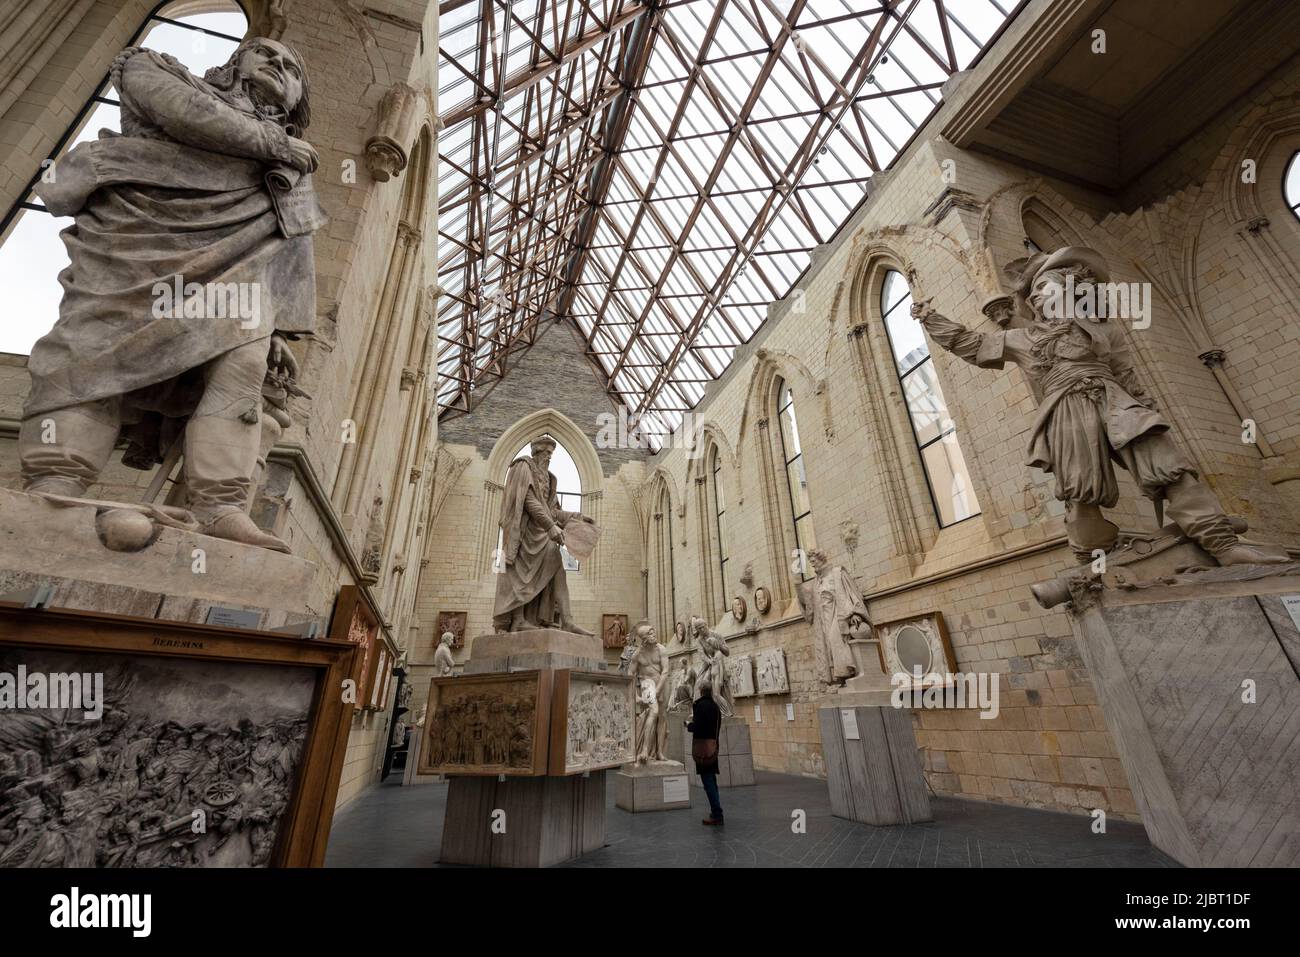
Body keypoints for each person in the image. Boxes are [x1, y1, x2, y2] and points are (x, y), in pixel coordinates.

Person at [20, 37, 325, 553]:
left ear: (297, 99)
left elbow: (290, 248)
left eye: (292, 67)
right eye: (266, 54)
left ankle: (220, 507)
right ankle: (56, 482)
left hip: (239, 273)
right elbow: (181, 112)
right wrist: (274, 145)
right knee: (91, 355)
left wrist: (277, 325)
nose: (279, 64)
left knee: (240, 372)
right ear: (232, 63)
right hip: (138, 247)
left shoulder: (290, 171)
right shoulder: (159, 69)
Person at [912, 245, 1285, 566]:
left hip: (1116, 400)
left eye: (1044, 288)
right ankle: (1093, 564)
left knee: (1169, 468)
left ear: (1072, 287)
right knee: (1081, 492)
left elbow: (1126, 374)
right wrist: (931, 319)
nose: (1037, 299)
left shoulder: (1105, 330)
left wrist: (1148, 407)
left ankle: (1223, 546)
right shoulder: (1026, 337)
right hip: (1066, 406)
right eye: (1034, 295)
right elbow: (974, 346)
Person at [493, 434, 598, 633]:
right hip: (523, 534)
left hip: (541, 535)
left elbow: (552, 510)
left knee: (557, 562)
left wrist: (578, 516)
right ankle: (518, 620)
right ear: (536, 451)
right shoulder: (522, 467)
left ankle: (567, 620)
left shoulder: (549, 478)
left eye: (551, 453)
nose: (549, 457)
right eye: (546, 452)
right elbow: (528, 501)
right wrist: (551, 527)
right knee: (518, 576)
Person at [686, 679, 723, 826]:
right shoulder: (715, 706)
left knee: (708, 782)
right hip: (713, 746)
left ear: (701, 690)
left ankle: (717, 814)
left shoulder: (701, 706)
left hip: (703, 749)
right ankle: (716, 811)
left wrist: (689, 726)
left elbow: (698, 727)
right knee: (712, 781)